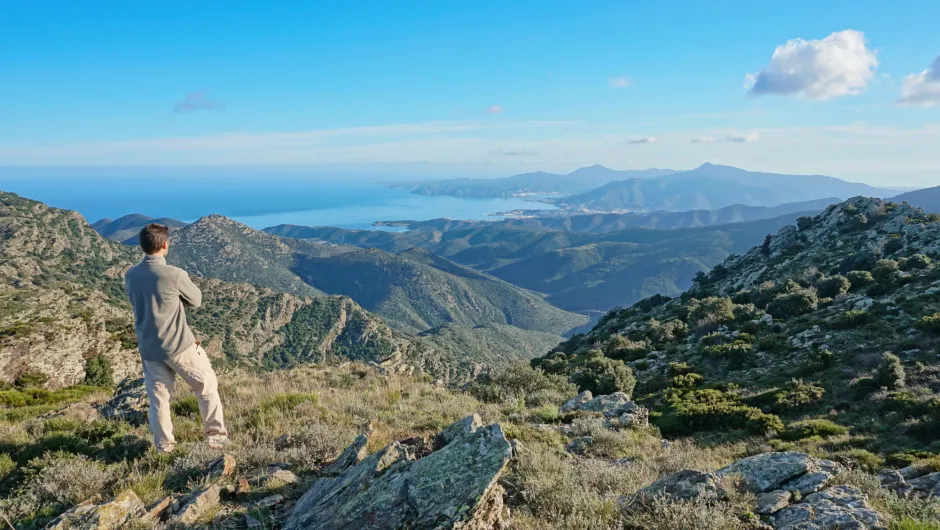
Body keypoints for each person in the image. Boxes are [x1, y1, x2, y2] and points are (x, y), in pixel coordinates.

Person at [124, 223, 229, 453]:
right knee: (206, 386)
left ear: (142, 245)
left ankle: (164, 447)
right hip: (179, 346)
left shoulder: (131, 275)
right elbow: (196, 300)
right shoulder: (174, 275)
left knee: (159, 400)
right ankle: (215, 437)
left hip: (149, 348)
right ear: (165, 244)